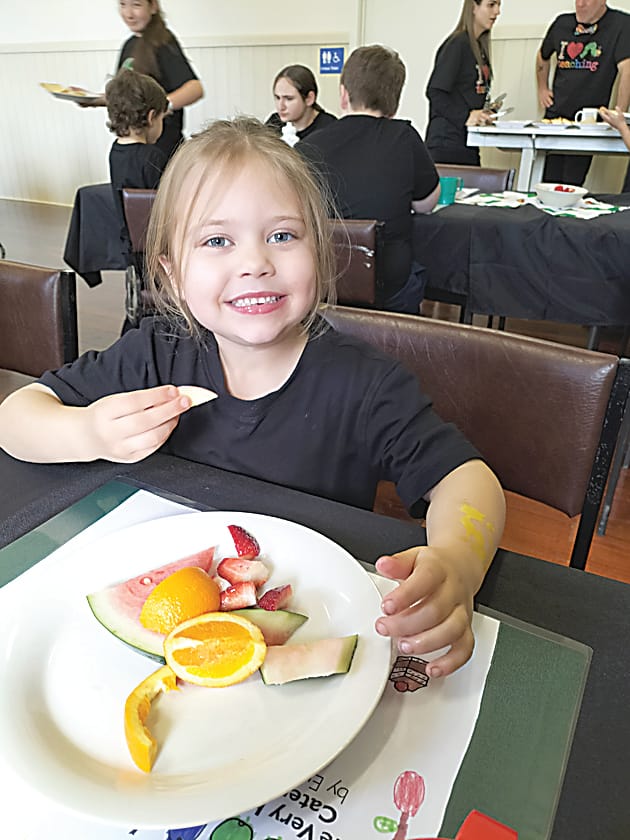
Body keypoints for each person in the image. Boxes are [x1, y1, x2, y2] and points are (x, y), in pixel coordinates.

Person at [0, 117, 505, 680]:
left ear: (321, 249)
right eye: (217, 240)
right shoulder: (153, 354)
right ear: (170, 271)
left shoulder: (366, 385)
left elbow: (468, 479)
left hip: (315, 625)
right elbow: (16, 416)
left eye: (283, 235)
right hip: (167, 633)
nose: (254, 262)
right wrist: (87, 432)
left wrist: (460, 563)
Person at [299, 45, 440, 314]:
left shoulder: (308, 147)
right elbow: (427, 203)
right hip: (390, 290)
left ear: (343, 93)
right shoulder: (404, 137)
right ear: (395, 102)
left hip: (321, 286)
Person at [84, 0, 203, 160]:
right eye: (123, 4)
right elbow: (127, 97)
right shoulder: (129, 45)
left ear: (153, 6)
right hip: (136, 147)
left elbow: (195, 89)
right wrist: (95, 100)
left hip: (162, 148)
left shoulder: (163, 43)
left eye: (136, 5)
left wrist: (161, 107)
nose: (128, 13)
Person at [536, 0, 630, 185]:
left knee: (571, 183)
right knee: (546, 182)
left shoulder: (620, 24)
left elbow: (627, 70)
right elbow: (542, 57)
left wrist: (620, 113)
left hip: (588, 120)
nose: (580, 4)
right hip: (556, 118)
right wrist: (542, 89)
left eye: (587, 0)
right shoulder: (562, 23)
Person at [425, 0, 502, 166]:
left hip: (468, 143)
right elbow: (435, 92)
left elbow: (467, 94)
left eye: (498, 6)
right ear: (473, 7)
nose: (497, 12)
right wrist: (466, 116)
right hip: (447, 145)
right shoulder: (457, 45)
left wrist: (484, 113)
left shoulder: (480, 48)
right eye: (491, 5)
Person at [105, 68, 168, 258]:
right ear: (151, 117)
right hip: (156, 246)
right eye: (161, 119)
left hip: (130, 244)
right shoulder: (153, 157)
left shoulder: (115, 152)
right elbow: (169, 204)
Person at [264, 64, 337, 144]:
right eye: (277, 98)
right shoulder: (274, 123)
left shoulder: (330, 128)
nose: (281, 106)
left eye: (289, 99)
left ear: (309, 98)